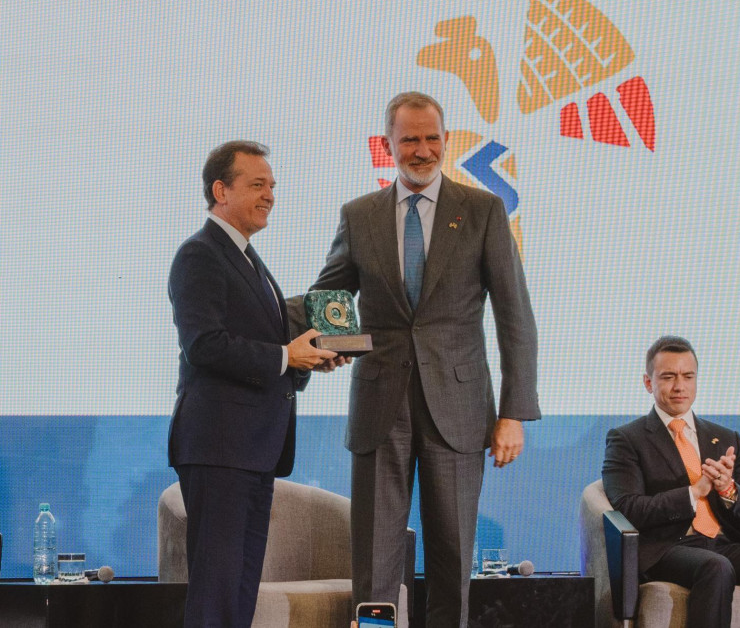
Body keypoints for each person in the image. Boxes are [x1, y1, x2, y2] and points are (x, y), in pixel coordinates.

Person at [300, 92, 540, 627]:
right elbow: (330, 296)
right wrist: (277, 319)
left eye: (432, 138)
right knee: (375, 561)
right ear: (388, 144)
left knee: (453, 557)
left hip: (458, 410)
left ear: (447, 142)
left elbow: (515, 317)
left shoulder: (482, 211)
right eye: (410, 139)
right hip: (379, 408)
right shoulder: (359, 215)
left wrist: (513, 412)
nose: (422, 149)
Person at [168, 140, 341, 627]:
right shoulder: (199, 255)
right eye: (257, 185)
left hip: (252, 450)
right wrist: (287, 354)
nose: (270, 196)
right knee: (217, 594)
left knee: (239, 592)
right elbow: (205, 345)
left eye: (273, 186)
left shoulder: (247, 258)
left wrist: (304, 361)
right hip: (220, 448)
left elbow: (263, 346)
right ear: (220, 190)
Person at [602, 335, 740, 627]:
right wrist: (693, 493)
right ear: (648, 383)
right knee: (716, 567)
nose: (679, 386)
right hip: (667, 547)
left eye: (687, 376)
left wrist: (728, 489)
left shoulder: (726, 438)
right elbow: (629, 509)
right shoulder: (626, 439)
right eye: (668, 377)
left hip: (723, 543)